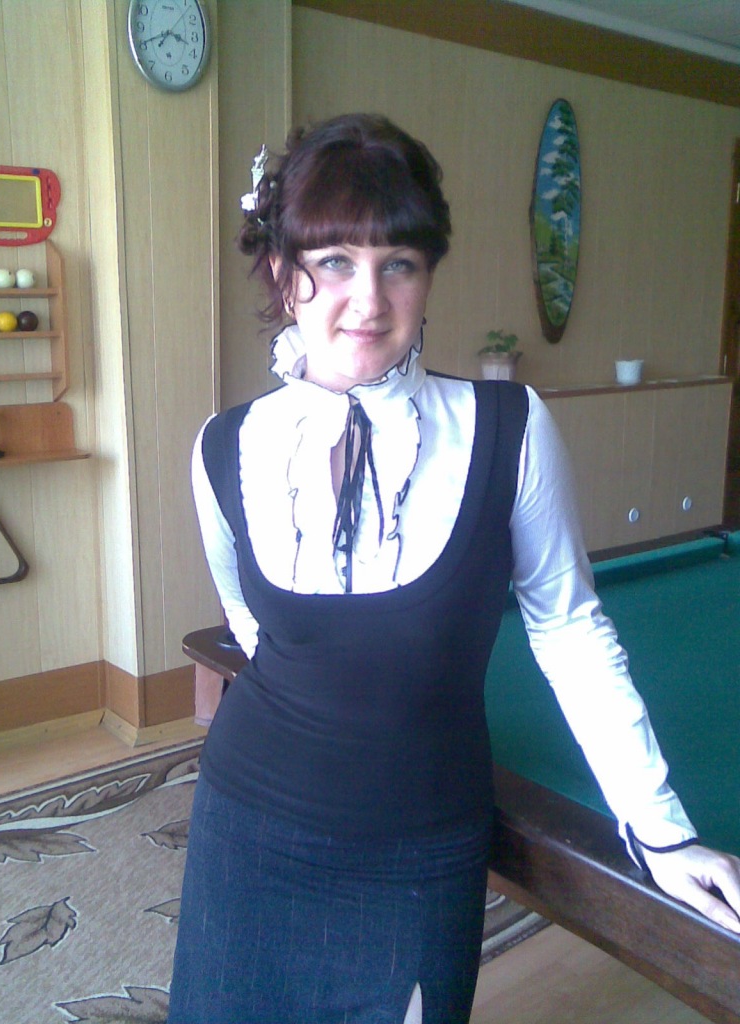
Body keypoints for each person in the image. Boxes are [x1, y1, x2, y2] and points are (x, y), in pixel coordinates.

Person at [168, 113, 740, 1024]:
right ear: (282, 274)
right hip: (251, 826)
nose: (367, 299)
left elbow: (569, 629)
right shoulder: (222, 446)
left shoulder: (510, 428)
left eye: (398, 263)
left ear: (428, 275)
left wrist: (662, 831)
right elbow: (249, 620)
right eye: (333, 262)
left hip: (419, 849)